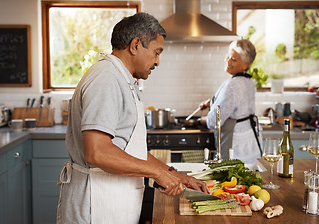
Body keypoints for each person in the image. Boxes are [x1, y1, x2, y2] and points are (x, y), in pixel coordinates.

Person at [56, 12, 209, 224]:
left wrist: (174, 174)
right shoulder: (106, 78)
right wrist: (157, 173)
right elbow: (97, 152)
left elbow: (130, 152)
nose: (157, 62)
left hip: (113, 201)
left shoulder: (122, 80)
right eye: (156, 52)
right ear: (135, 45)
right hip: (96, 206)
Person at [199, 39, 262, 164]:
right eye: (228, 56)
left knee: (232, 179)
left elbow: (214, 121)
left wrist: (201, 120)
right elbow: (236, 105)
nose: (228, 61)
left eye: (233, 59)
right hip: (250, 139)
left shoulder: (232, 85)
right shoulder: (248, 82)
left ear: (245, 64)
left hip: (236, 142)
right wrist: (211, 103)